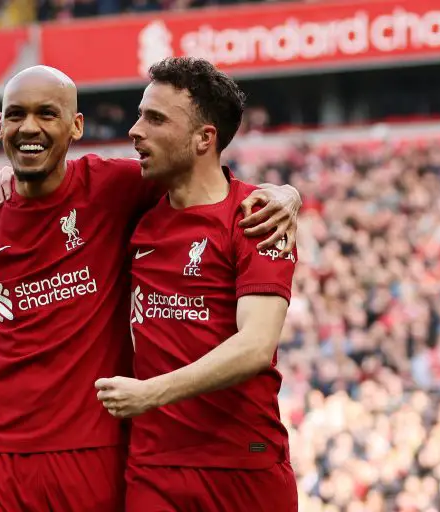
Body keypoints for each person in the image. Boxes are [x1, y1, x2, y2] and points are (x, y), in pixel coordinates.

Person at [0, 65, 301, 512]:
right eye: (14, 115)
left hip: (136, 452)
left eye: (46, 114)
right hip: (13, 449)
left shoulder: (132, 193)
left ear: (75, 126)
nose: (135, 132)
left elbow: (210, 190)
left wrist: (288, 194)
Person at [93, 57, 298, 511]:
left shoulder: (257, 217)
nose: (134, 130)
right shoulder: (134, 216)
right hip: (154, 468)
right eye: (140, 114)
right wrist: (11, 171)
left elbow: (256, 346)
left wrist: (150, 392)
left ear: (204, 138)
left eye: (156, 118)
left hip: (244, 463)